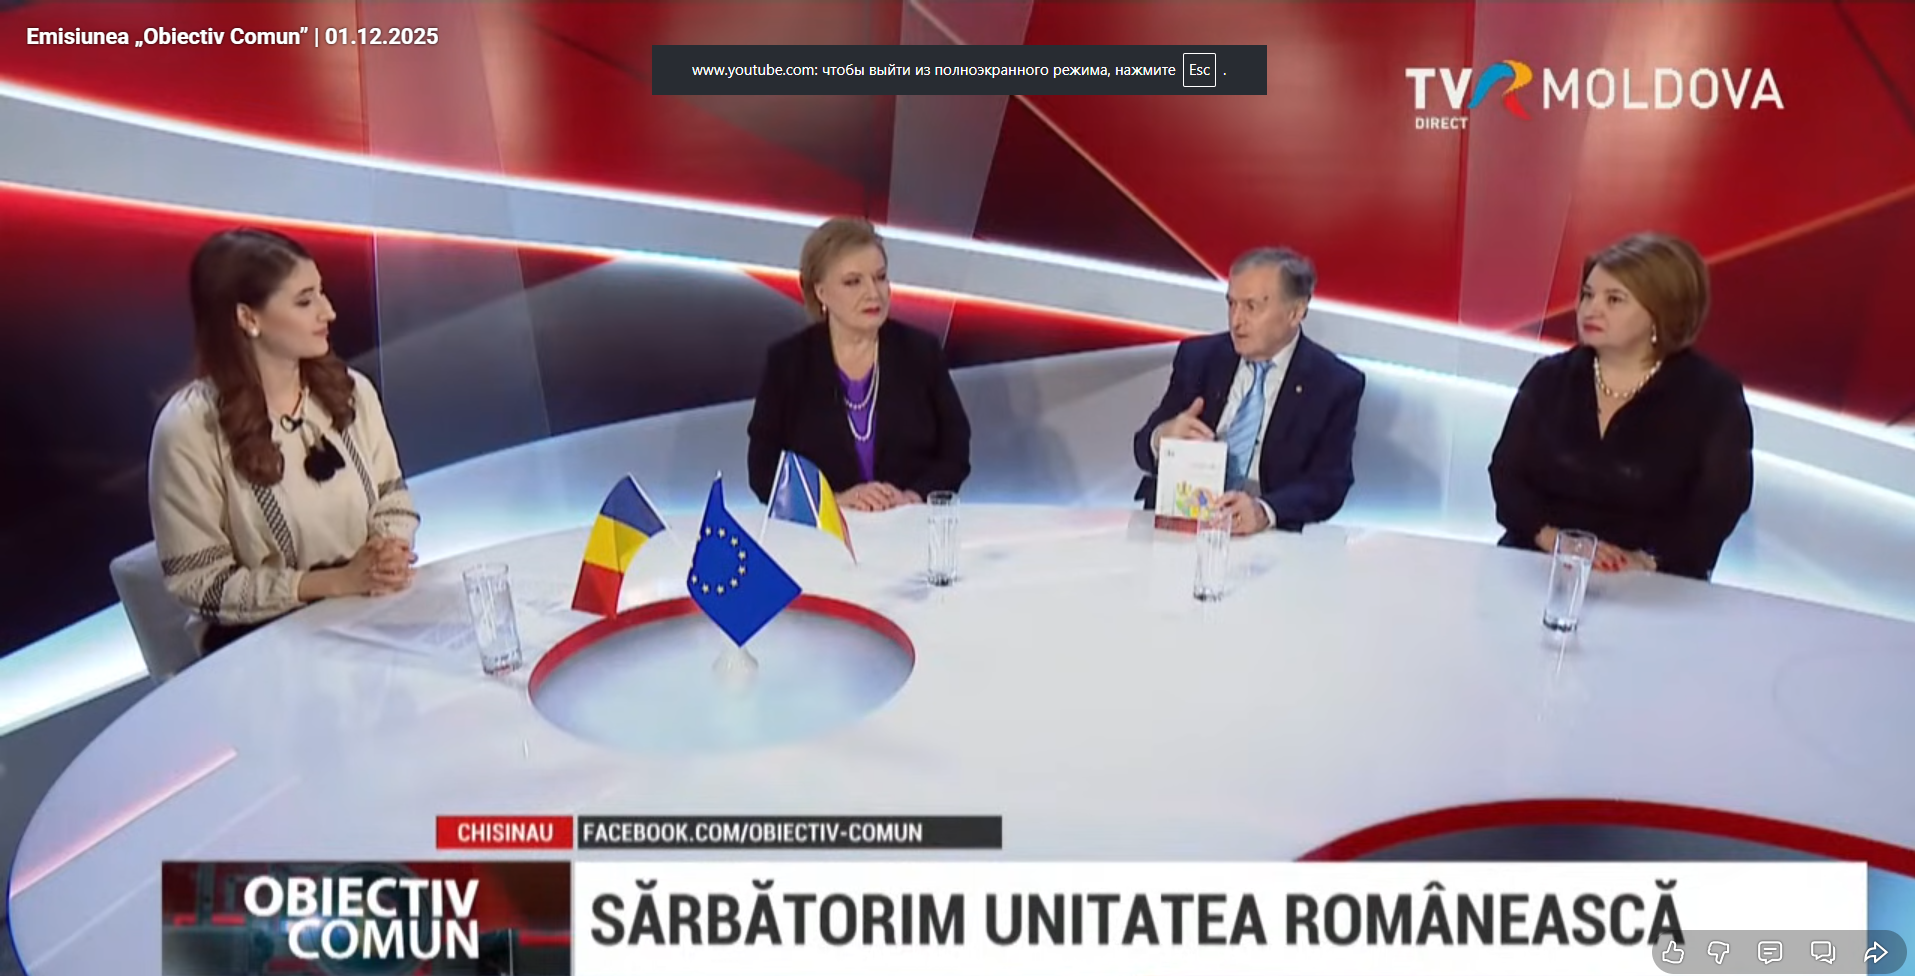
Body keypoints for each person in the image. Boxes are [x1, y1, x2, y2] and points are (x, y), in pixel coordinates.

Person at [149, 228, 421, 655]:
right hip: (258, 645)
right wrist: (330, 582)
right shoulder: (190, 428)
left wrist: (387, 551)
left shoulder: (351, 391)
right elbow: (200, 583)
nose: (329, 312)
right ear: (248, 318)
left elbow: (392, 497)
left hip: (367, 612)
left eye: (322, 293)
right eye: (305, 301)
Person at [1488, 232, 1754, 581]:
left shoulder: (1712, 396)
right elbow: (1506, 474)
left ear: (1661, 311)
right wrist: (1555, 540)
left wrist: (1646, 560)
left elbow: (1718, 508)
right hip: (1540, 561)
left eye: (1614, 299)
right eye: (1588, 295)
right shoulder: (1550, 377)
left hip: (1651, 580)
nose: (1591, 309)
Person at [1133, 247, 1366, 533]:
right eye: (1232, 304)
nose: (1236, 320)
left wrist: (1265, 511)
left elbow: (1329, 483)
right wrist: (1161, 439)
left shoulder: (1333, 384)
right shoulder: (1199, 358)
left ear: (1295, 312)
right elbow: (1141, 448)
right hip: (1181, 523)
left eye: (1251, 307)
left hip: (1264, 537)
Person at [747, 217, 972, 511]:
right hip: (826, 530)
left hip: (908, 524)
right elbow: (763, 471)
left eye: (880, 277)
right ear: (821, 292)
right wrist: (835, 501)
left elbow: (955, 450)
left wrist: (913, 497)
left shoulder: (921, 352)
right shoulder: (789, 362)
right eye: (853, 282)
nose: (873, 293)